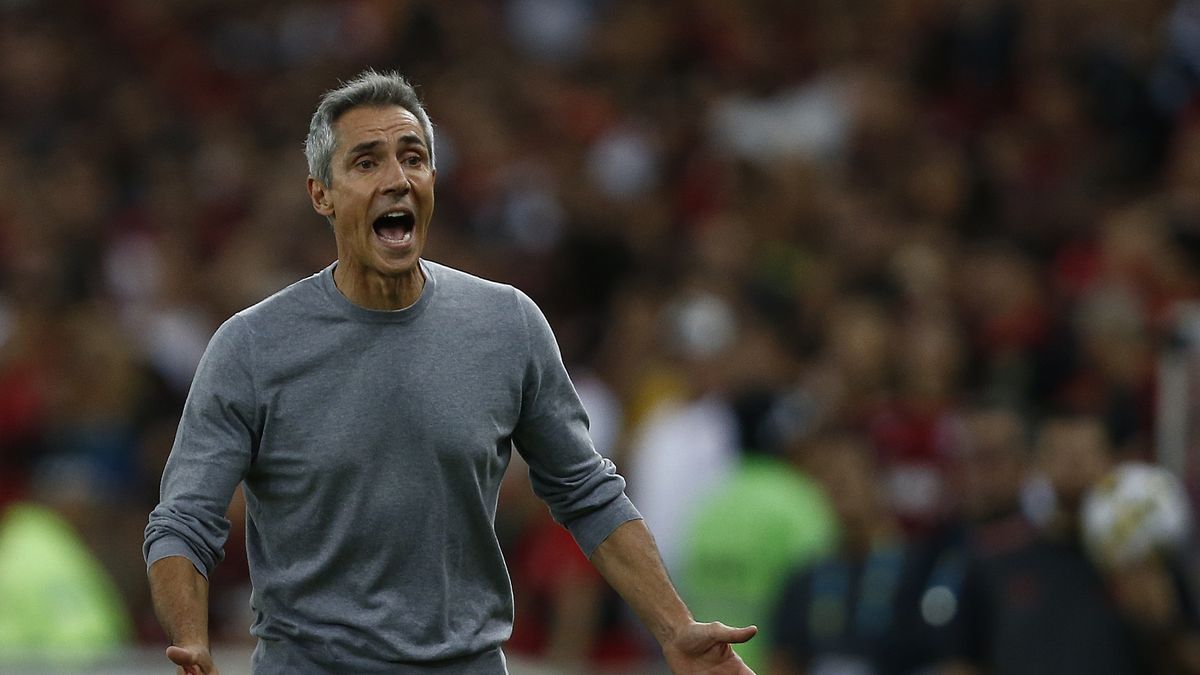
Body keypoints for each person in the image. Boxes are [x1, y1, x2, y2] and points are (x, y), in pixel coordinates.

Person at [143, 70, 757, 675]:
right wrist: (191, 641)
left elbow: (587, 493)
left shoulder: (507, 324)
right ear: (320, 195)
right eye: (366, 163)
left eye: (413, 158)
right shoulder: (252, 346)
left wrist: (677, 630)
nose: (397, 179)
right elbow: (183, 521)